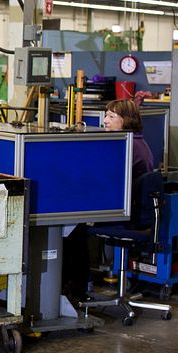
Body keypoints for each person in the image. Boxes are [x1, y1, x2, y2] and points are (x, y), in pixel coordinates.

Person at [63, 98, 157, 301]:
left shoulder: (128, 147)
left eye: (111, 116)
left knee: (71, 230)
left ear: (126, 120)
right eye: (106, 115)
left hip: (127, 217)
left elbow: (106, 180)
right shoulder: (136, 143)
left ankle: (77, 289)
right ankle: (80, 284)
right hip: (134, 211)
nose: (105, 120)